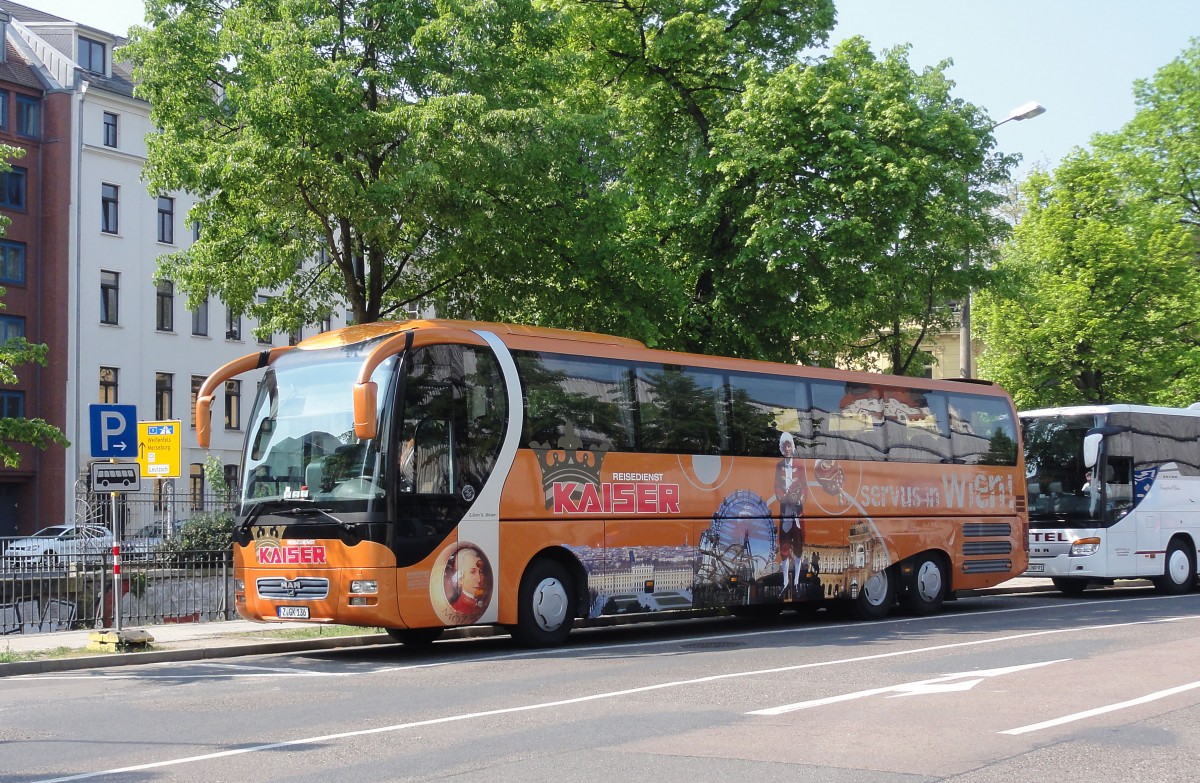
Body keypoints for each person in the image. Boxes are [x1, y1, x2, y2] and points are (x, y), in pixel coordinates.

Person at [774, 432, 807, 600]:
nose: (787, 448)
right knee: (785, 548)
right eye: (784, 446)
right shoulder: (779, 466)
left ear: (792, 447)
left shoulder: (800, 466)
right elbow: (777, 488)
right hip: (785, 512)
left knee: (799, 548)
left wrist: (798, 498)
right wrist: (784, 497)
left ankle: (796, 582)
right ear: (781, 448)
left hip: (797, 513)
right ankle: (786, 582)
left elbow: (805, 488)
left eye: (789, 445)